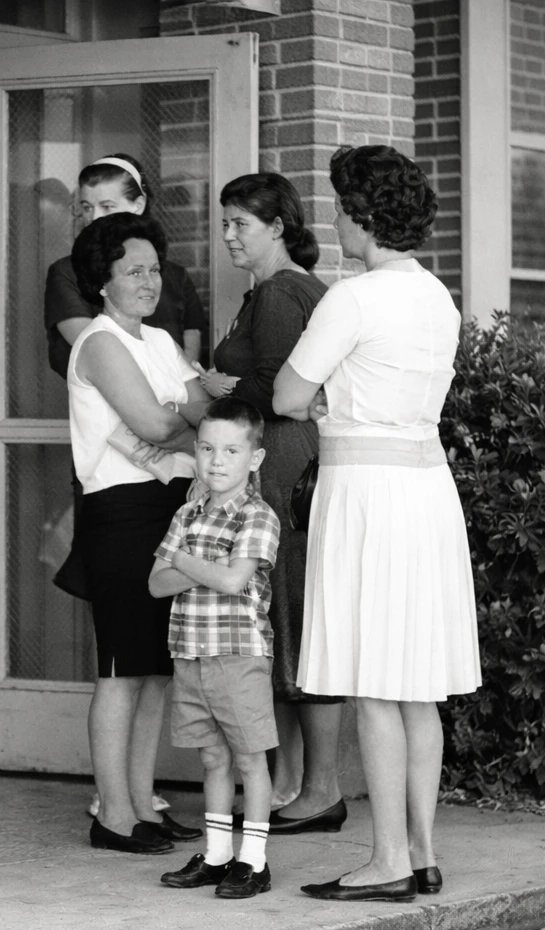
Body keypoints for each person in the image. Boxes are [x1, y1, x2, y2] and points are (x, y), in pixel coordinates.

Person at [273, 145, 481, 901]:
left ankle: (389, 858)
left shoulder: (353, 297)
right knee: (416, 685)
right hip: (426, 489)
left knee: (375, 682)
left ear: (361, 216)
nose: (333, 218)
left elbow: (291, 396)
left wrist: (327, 401)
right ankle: (420, 851)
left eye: (338, 205)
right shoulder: (435, 296)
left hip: (366, 490)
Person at [195, 173, 346, 833]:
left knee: (293, 616)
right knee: (283, 620)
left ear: (279, 225)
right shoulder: (279, 291)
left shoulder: (283, 293)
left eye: (240, 224)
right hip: (285, 464)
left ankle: (320, 790)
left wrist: (220, 384)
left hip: (286, 468)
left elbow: (279, 388)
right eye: (224, 223)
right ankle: (294, 785)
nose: (228, 236)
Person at [68, 212, 209, 854]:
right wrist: (185, 412)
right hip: (121, 514)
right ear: (103, 280)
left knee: (156, 669)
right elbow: (158, 424)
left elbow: (197, 410)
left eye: (154, 269)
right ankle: (114, 816)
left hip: (168, 506)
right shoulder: (99, 342)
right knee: (122, 669)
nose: (149, 281)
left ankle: (142, 804)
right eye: (133, 271)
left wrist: (182, 412)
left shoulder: (155, 340)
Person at [151, 397, 281, 898]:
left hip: (238, 652)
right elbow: (154, 585)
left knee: (249, 758)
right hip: (190, 650)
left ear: (255, 458)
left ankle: (254, 861)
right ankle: (218, 854)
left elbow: (233, 581)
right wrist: (191, 566)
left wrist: (181, 562)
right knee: (212, 758)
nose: (216, 460)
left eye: (230, 450)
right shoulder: (186, 512)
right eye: (207, 448)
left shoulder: (257, 515)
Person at [46, 153, 206, 376]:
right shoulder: (66, 272)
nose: (94, 217)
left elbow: (191, 336)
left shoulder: (176, 274)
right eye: (86, 207)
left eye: (107, 206)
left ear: (138, 205)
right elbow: (92, 347)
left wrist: (182, 384)